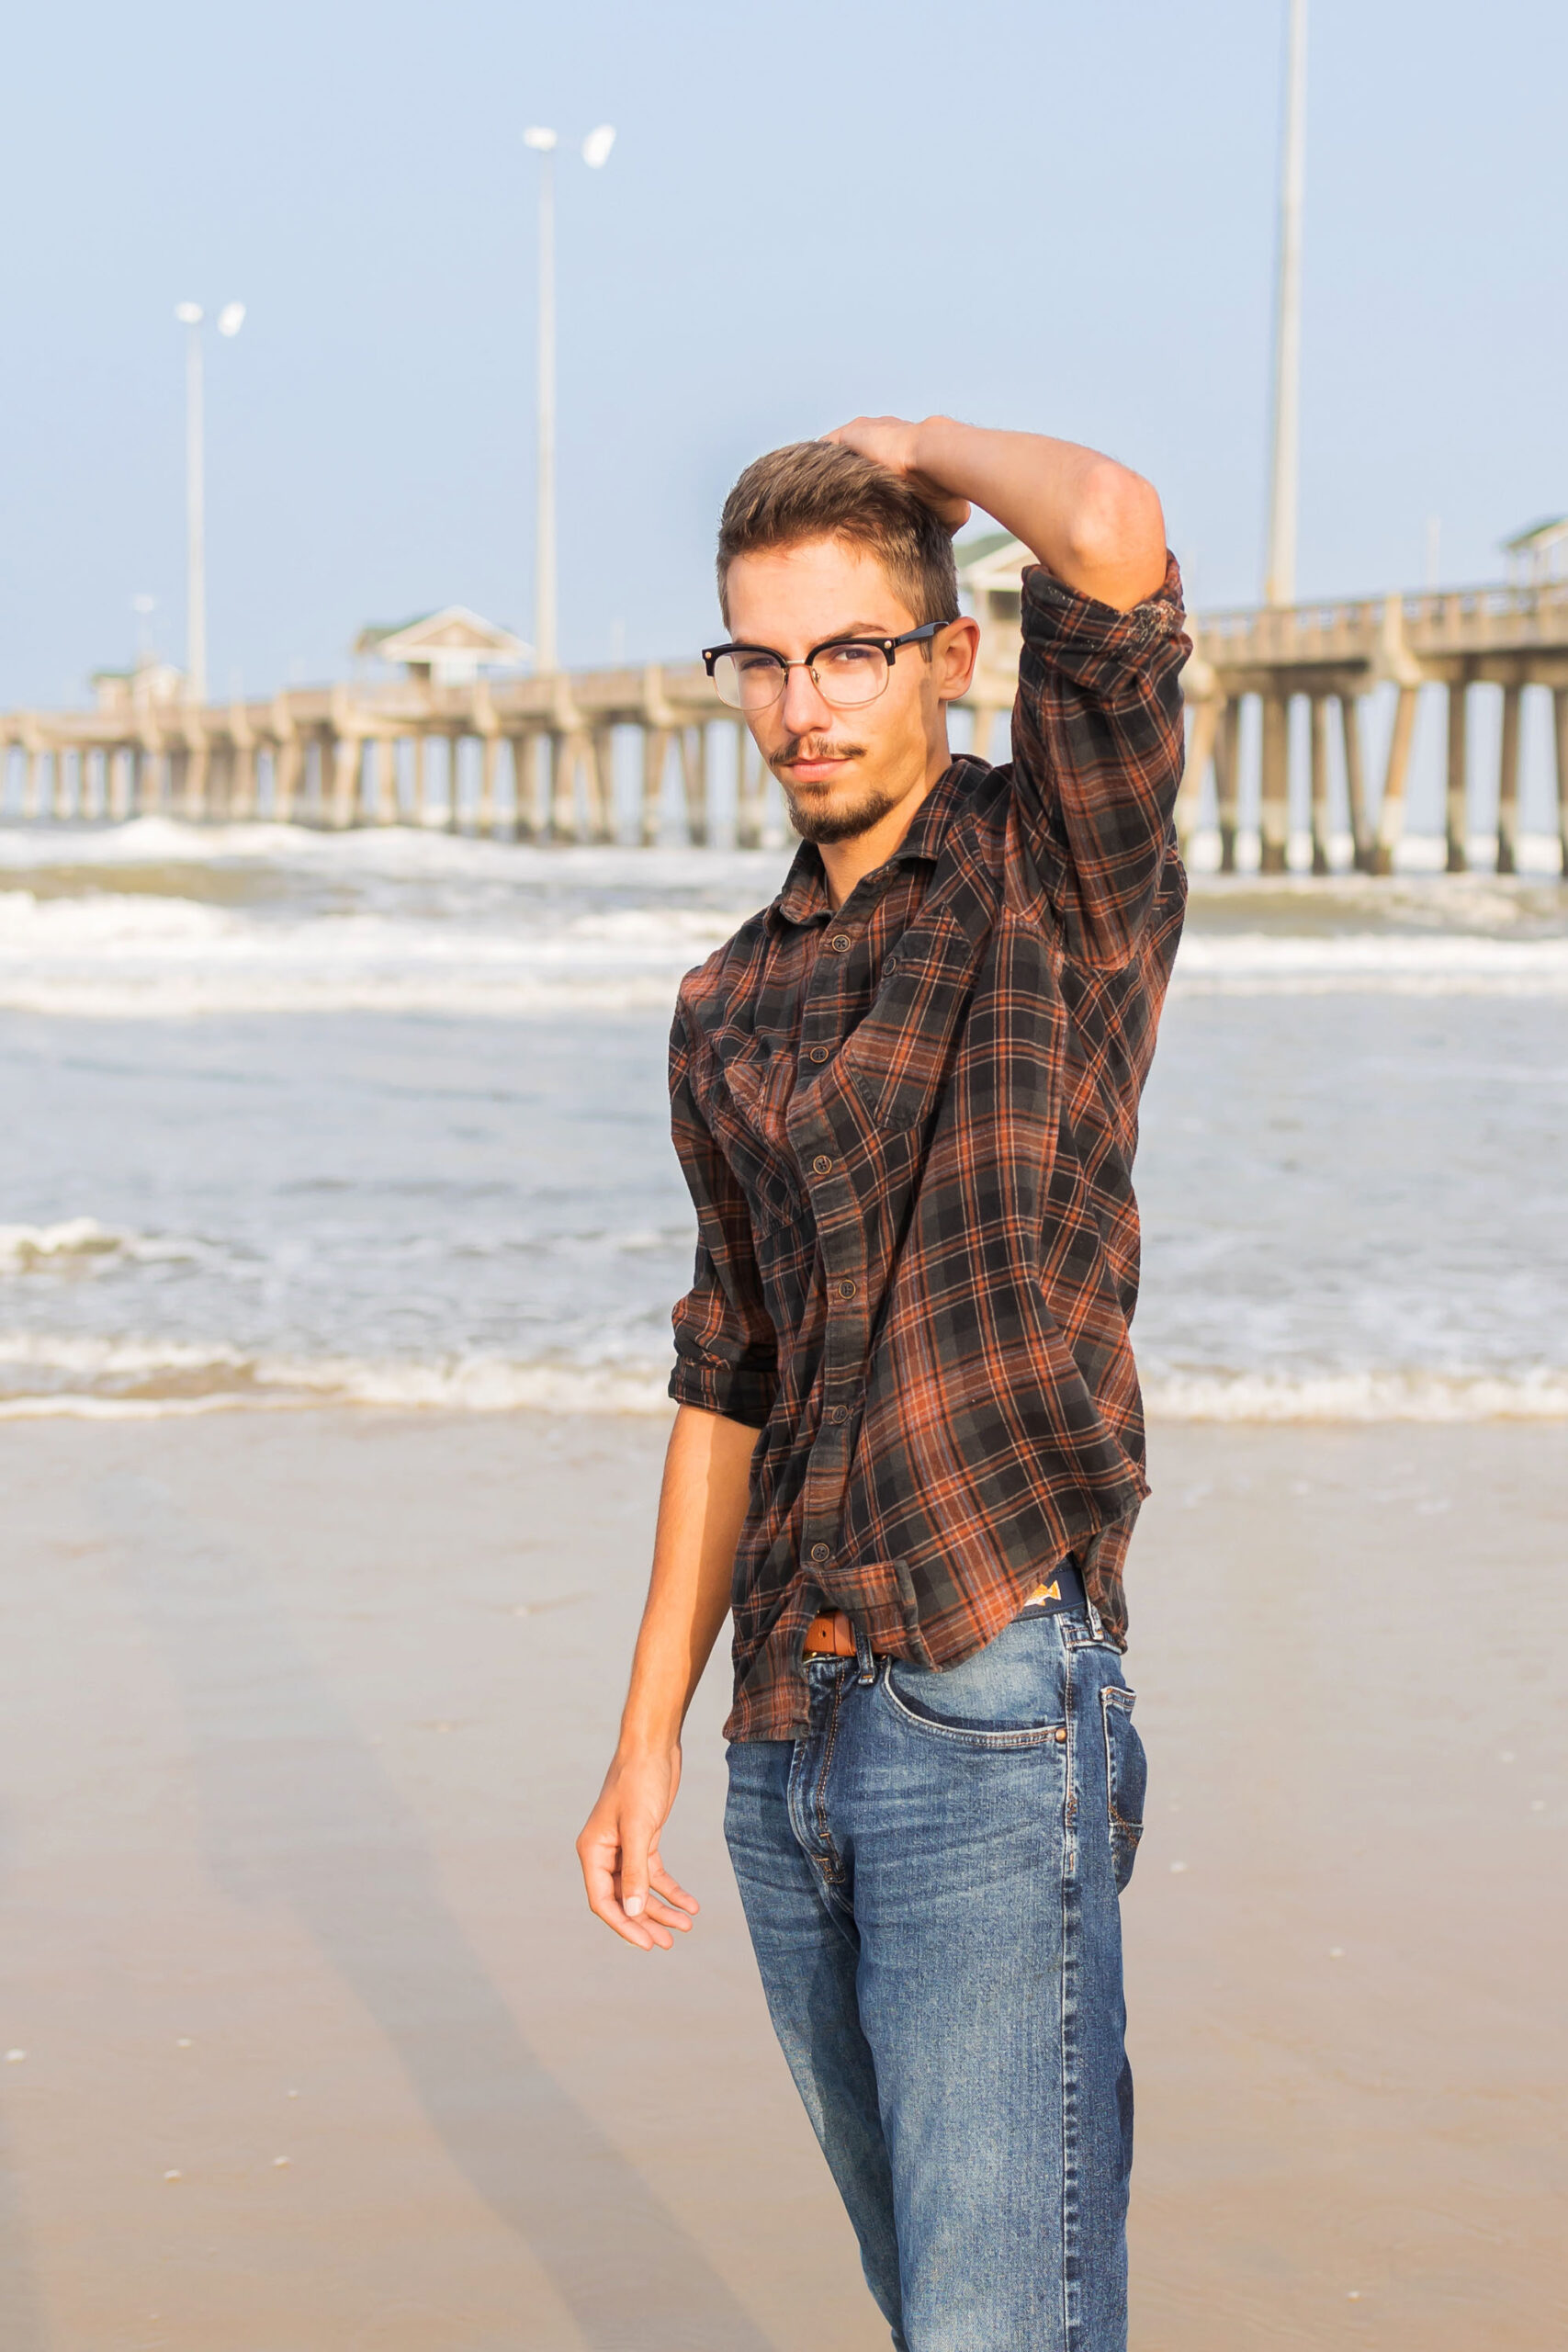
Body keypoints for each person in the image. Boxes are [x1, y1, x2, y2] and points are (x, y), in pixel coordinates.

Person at [576, 414, 1187, 2352]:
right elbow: (723, 1373)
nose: (797, 703)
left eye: (847, 649)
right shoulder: (724, 1001)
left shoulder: (1052, 874)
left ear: (944, 654)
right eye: (759, 657)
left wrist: (912, 446)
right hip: (786, 1730)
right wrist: (647, 1732)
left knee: (996, 2323)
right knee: (934, 2305)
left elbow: (1111, 534)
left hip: (987, 1695)